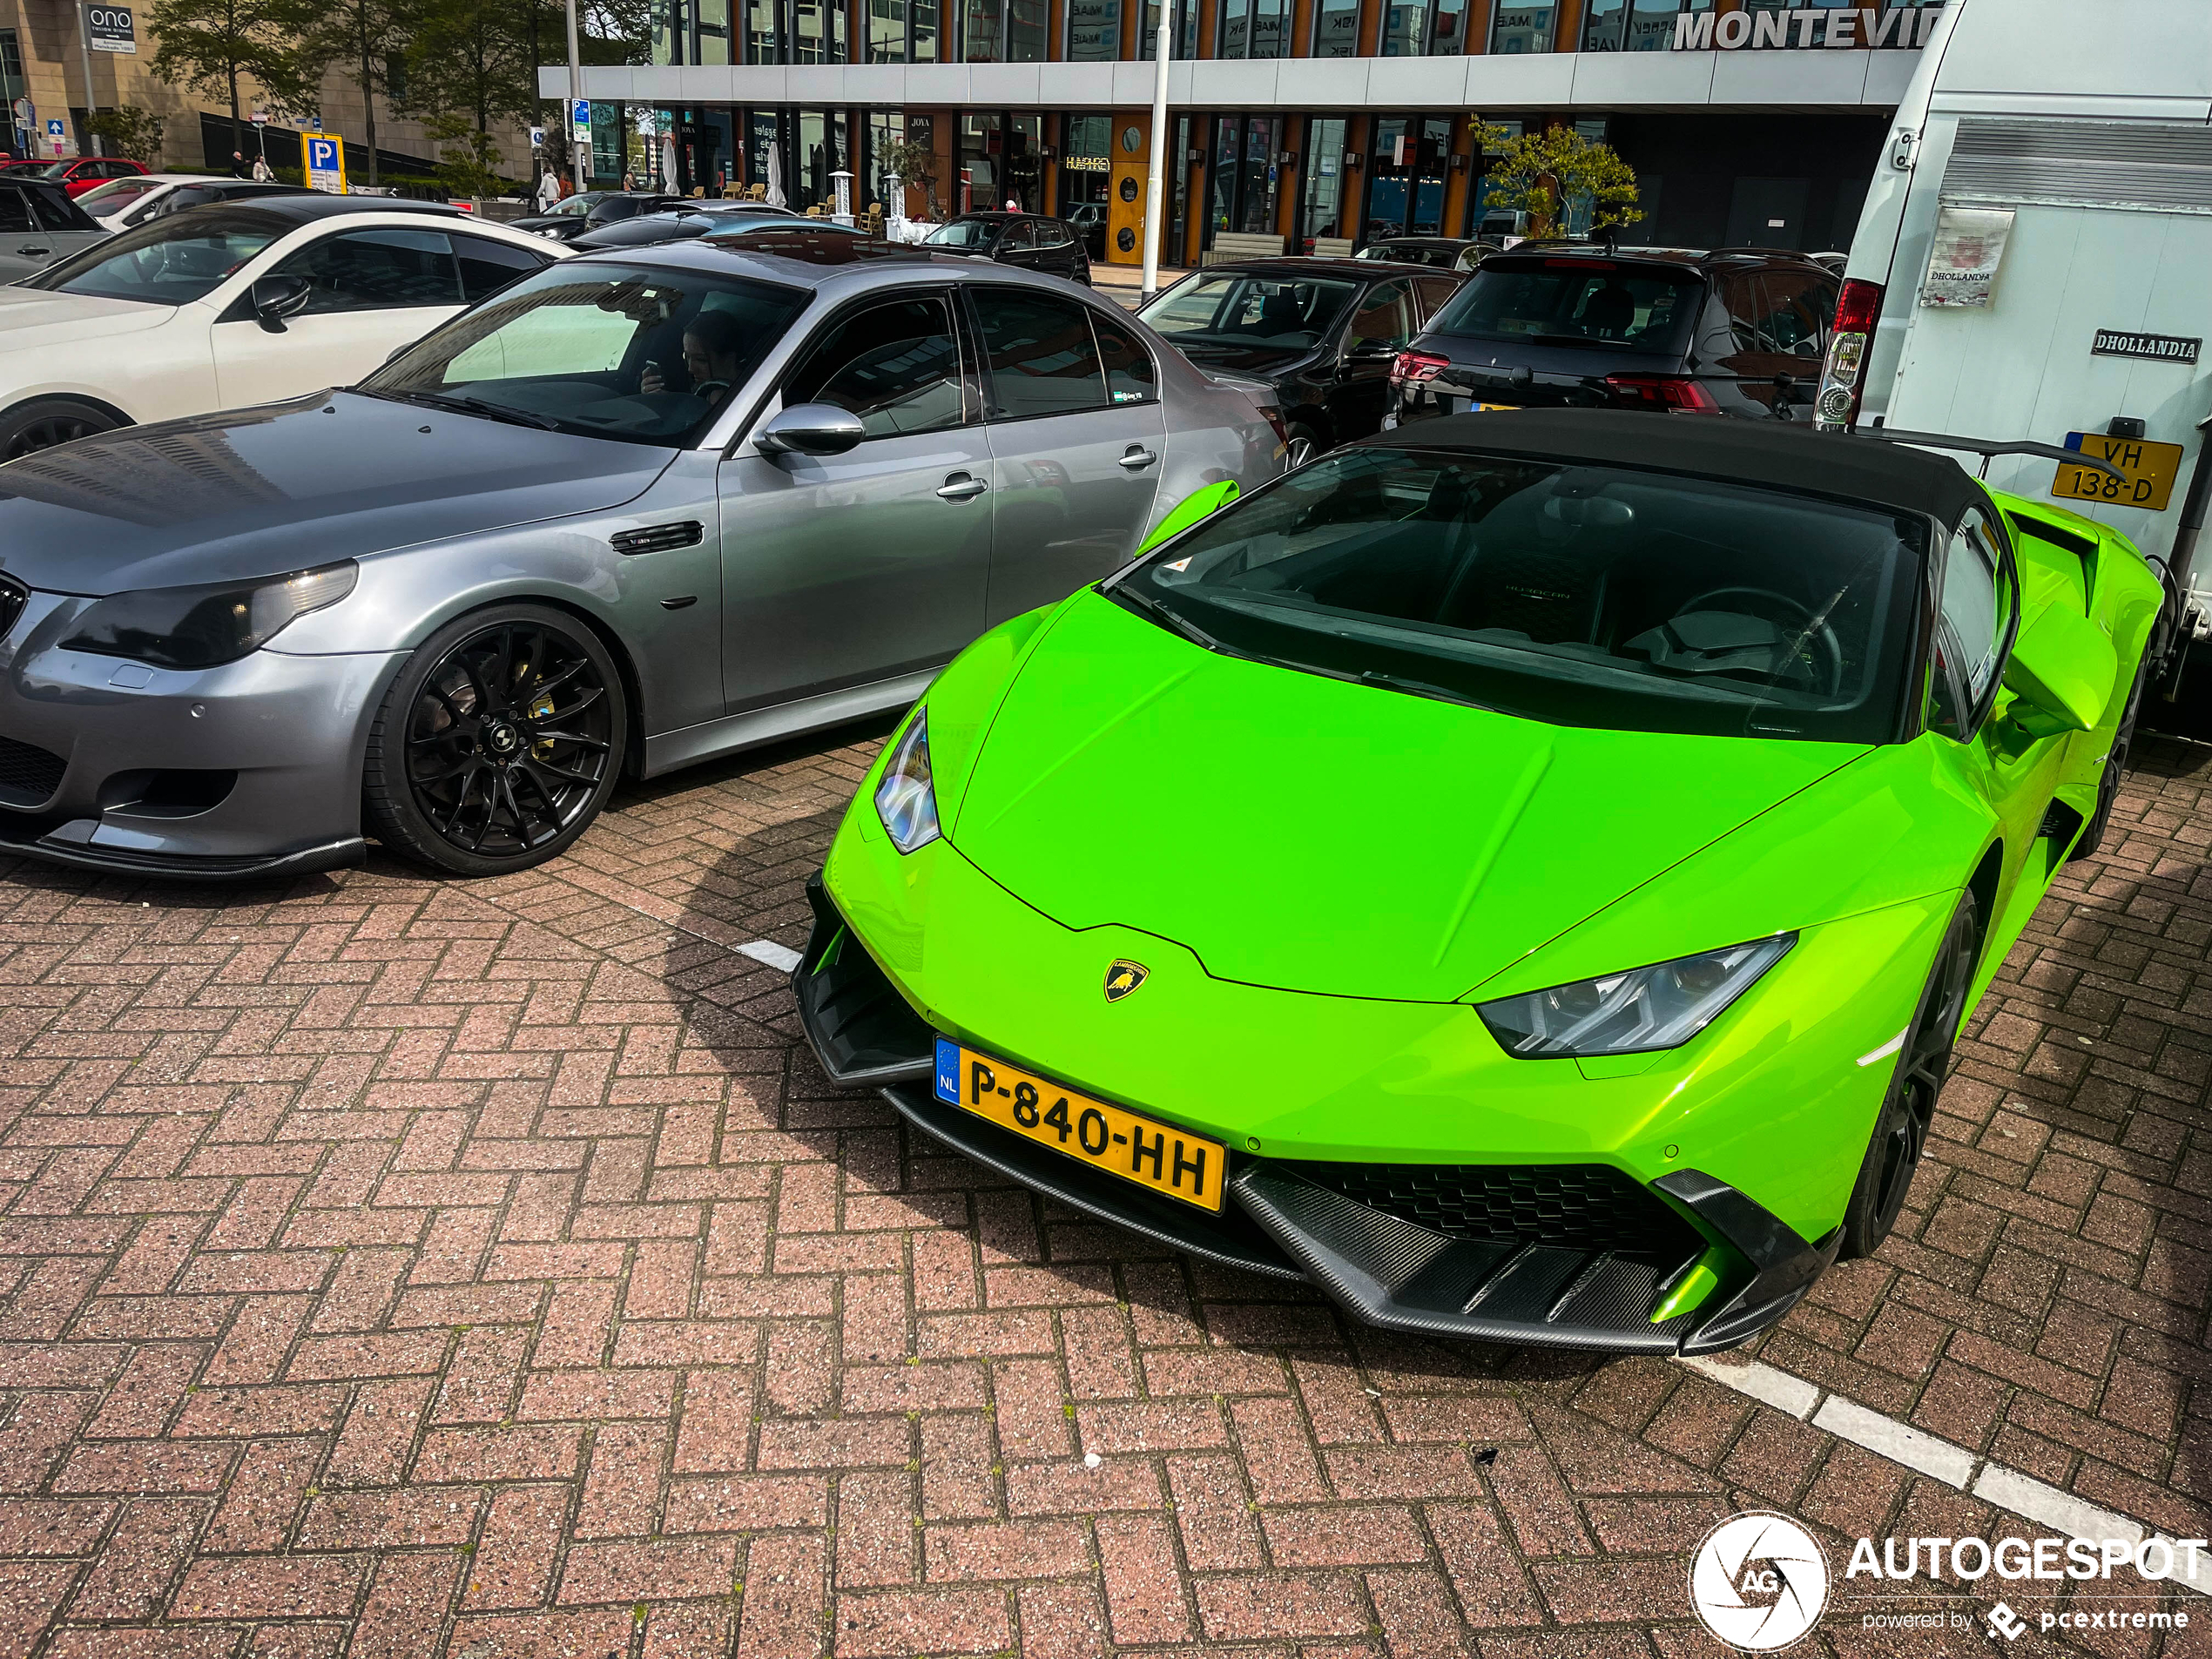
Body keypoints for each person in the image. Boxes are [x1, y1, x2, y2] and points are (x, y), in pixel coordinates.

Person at [639, 309, 743, 399]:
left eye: (701, 360)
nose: (691, 369)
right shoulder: (698, 390)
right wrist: (658, 400)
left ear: (729, 360)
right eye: (687, 357)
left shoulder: (747, 399)